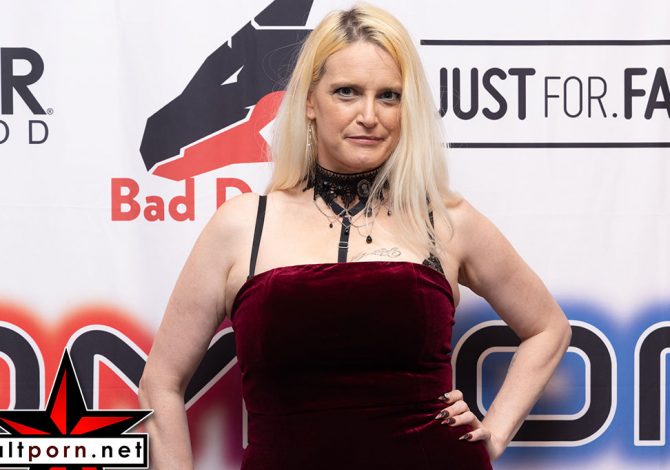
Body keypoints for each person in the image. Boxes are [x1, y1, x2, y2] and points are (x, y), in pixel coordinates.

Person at [138, 4, 571, 469]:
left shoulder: (444, 220)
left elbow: (548, 328)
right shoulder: (243, 225)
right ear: (309, 101)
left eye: (389, 96)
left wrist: (494, 432)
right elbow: (159, 383)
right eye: (346, 92)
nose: (369, 115)